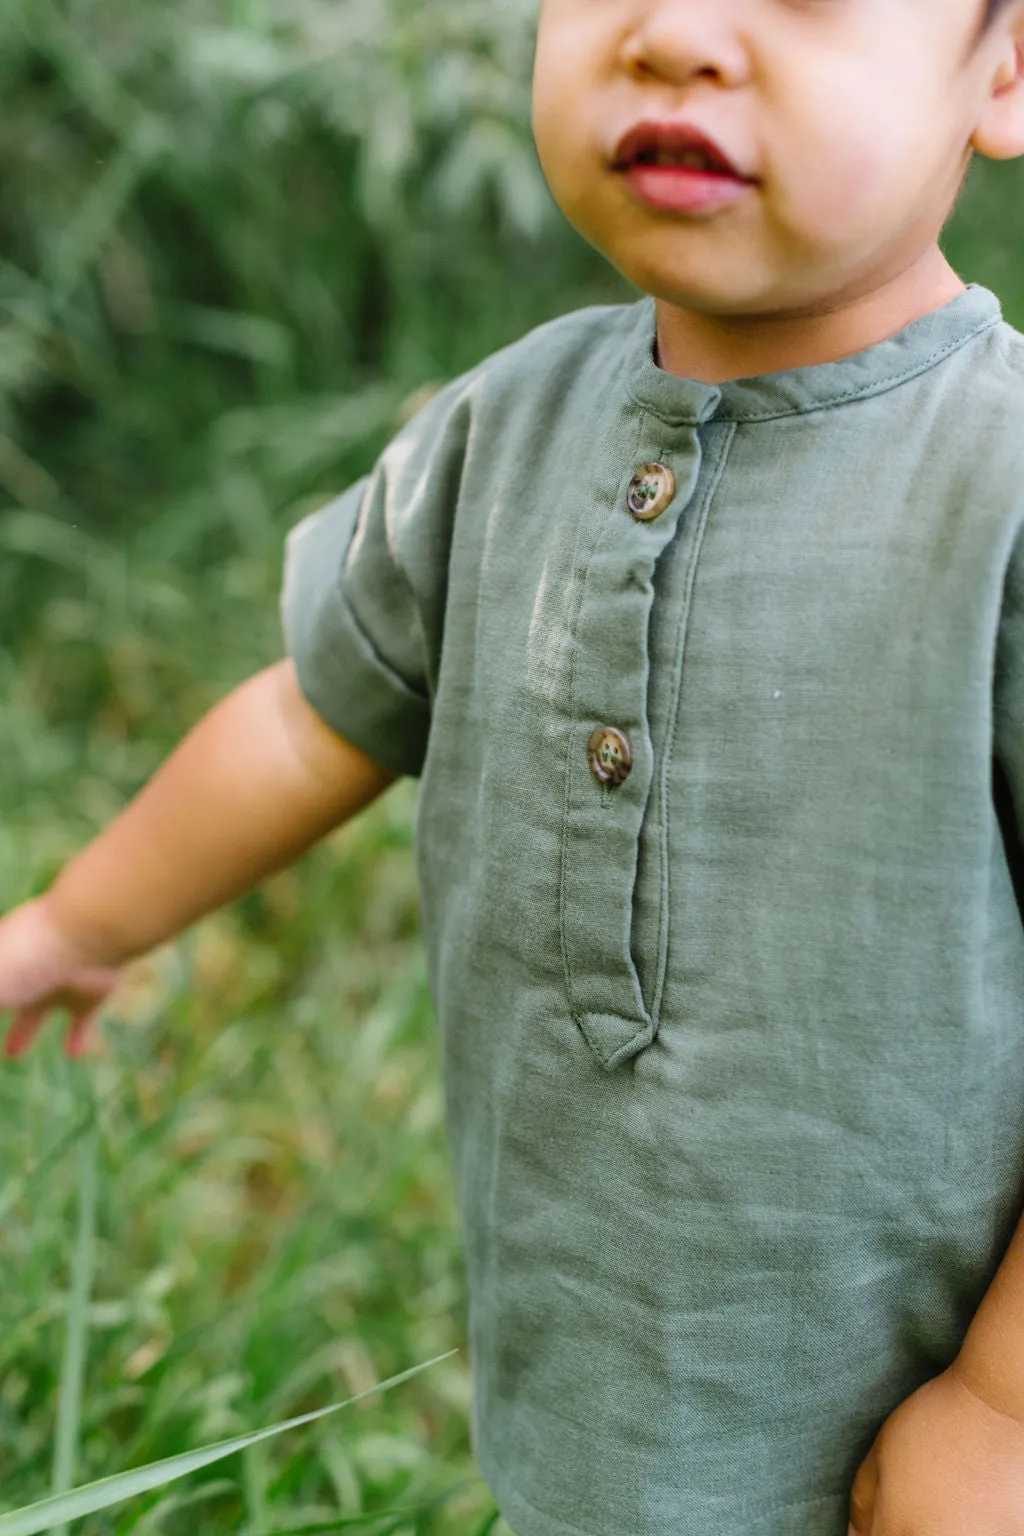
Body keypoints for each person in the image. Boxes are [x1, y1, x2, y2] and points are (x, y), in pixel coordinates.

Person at [4, 0, 1024, 1531]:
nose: (678, 33)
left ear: (1000, 70)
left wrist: (1001, 1411)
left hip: (914, 1447)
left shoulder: (998, 485)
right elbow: (311, 716)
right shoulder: (506, 424)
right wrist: (73, 932)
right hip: (590, 1391)